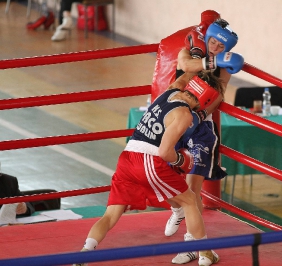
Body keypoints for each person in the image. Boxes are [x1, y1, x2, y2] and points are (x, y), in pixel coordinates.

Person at [72, 70, 224, 266]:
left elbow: (182, 78)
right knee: (189, 202)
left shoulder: (168, 93)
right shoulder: (184, 114)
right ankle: (205, 251)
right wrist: (182, 161)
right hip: (148, 161)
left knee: (110, 215)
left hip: (126, 158)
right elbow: (164, 152)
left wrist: (196, 73)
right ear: (205, 100)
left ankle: (86, 251)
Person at [164, 16, 244, 264]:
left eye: (222, 47)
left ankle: (196, 247)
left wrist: (199, 116)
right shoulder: (188, 49)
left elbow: (218, 96)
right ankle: (177, 211)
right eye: (214, 43)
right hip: (174, 118)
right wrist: (212, 60)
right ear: (207, 36)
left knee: (193, 190)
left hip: (199, 125)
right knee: (164, 175)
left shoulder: (224, 65)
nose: (217, 48)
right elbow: (186, 65)